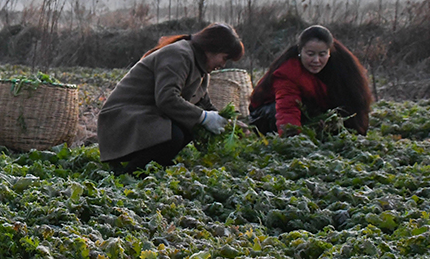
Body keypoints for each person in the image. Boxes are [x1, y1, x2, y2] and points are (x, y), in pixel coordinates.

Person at [97, 23, 245, 173]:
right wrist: (204, 117)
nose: (222, 64)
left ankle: (156, 165)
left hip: (143, 117)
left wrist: (229, 123)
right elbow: (167, 98)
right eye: (224, 58)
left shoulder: (201, 69)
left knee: (190, 127)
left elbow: (202, 102)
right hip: (122, 119)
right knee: (174, 135)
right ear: (212, 48)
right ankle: (132, 171)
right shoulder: (179, 55)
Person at [248, 25, 372, 135]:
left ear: (330, 53)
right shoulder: (288, 70)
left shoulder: (343, 66)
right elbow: (287, 108)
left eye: (322, 55)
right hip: (267, 113)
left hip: (311, 108)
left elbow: (356, 102)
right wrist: (293, 141)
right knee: (286, 113)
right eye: (310, 54)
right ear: (300, 51)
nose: (316, 61)